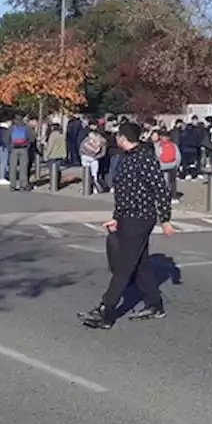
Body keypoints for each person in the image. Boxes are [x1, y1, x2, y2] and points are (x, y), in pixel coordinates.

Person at [79, 122, 173, 330]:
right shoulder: (126, 159)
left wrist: (165, 219)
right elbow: (124, 194)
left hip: (141, 218)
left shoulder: (145, 159)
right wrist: (117, 217)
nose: (116, 140)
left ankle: (107, 310)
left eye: (118, 137)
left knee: (124, 265)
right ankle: (155, 304)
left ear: (123, 138)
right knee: (141, 264)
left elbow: (161, 189)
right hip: (127, 217)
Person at [7, 116, 34, 191]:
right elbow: (32, 138)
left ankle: (12, 185)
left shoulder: (12, 128)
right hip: (24, 149)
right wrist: (28, 146)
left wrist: (9, 148)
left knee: (12, 167)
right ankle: (23, 185)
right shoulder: (26, 127)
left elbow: (7, 138)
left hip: (13, 149)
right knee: (24, 167)